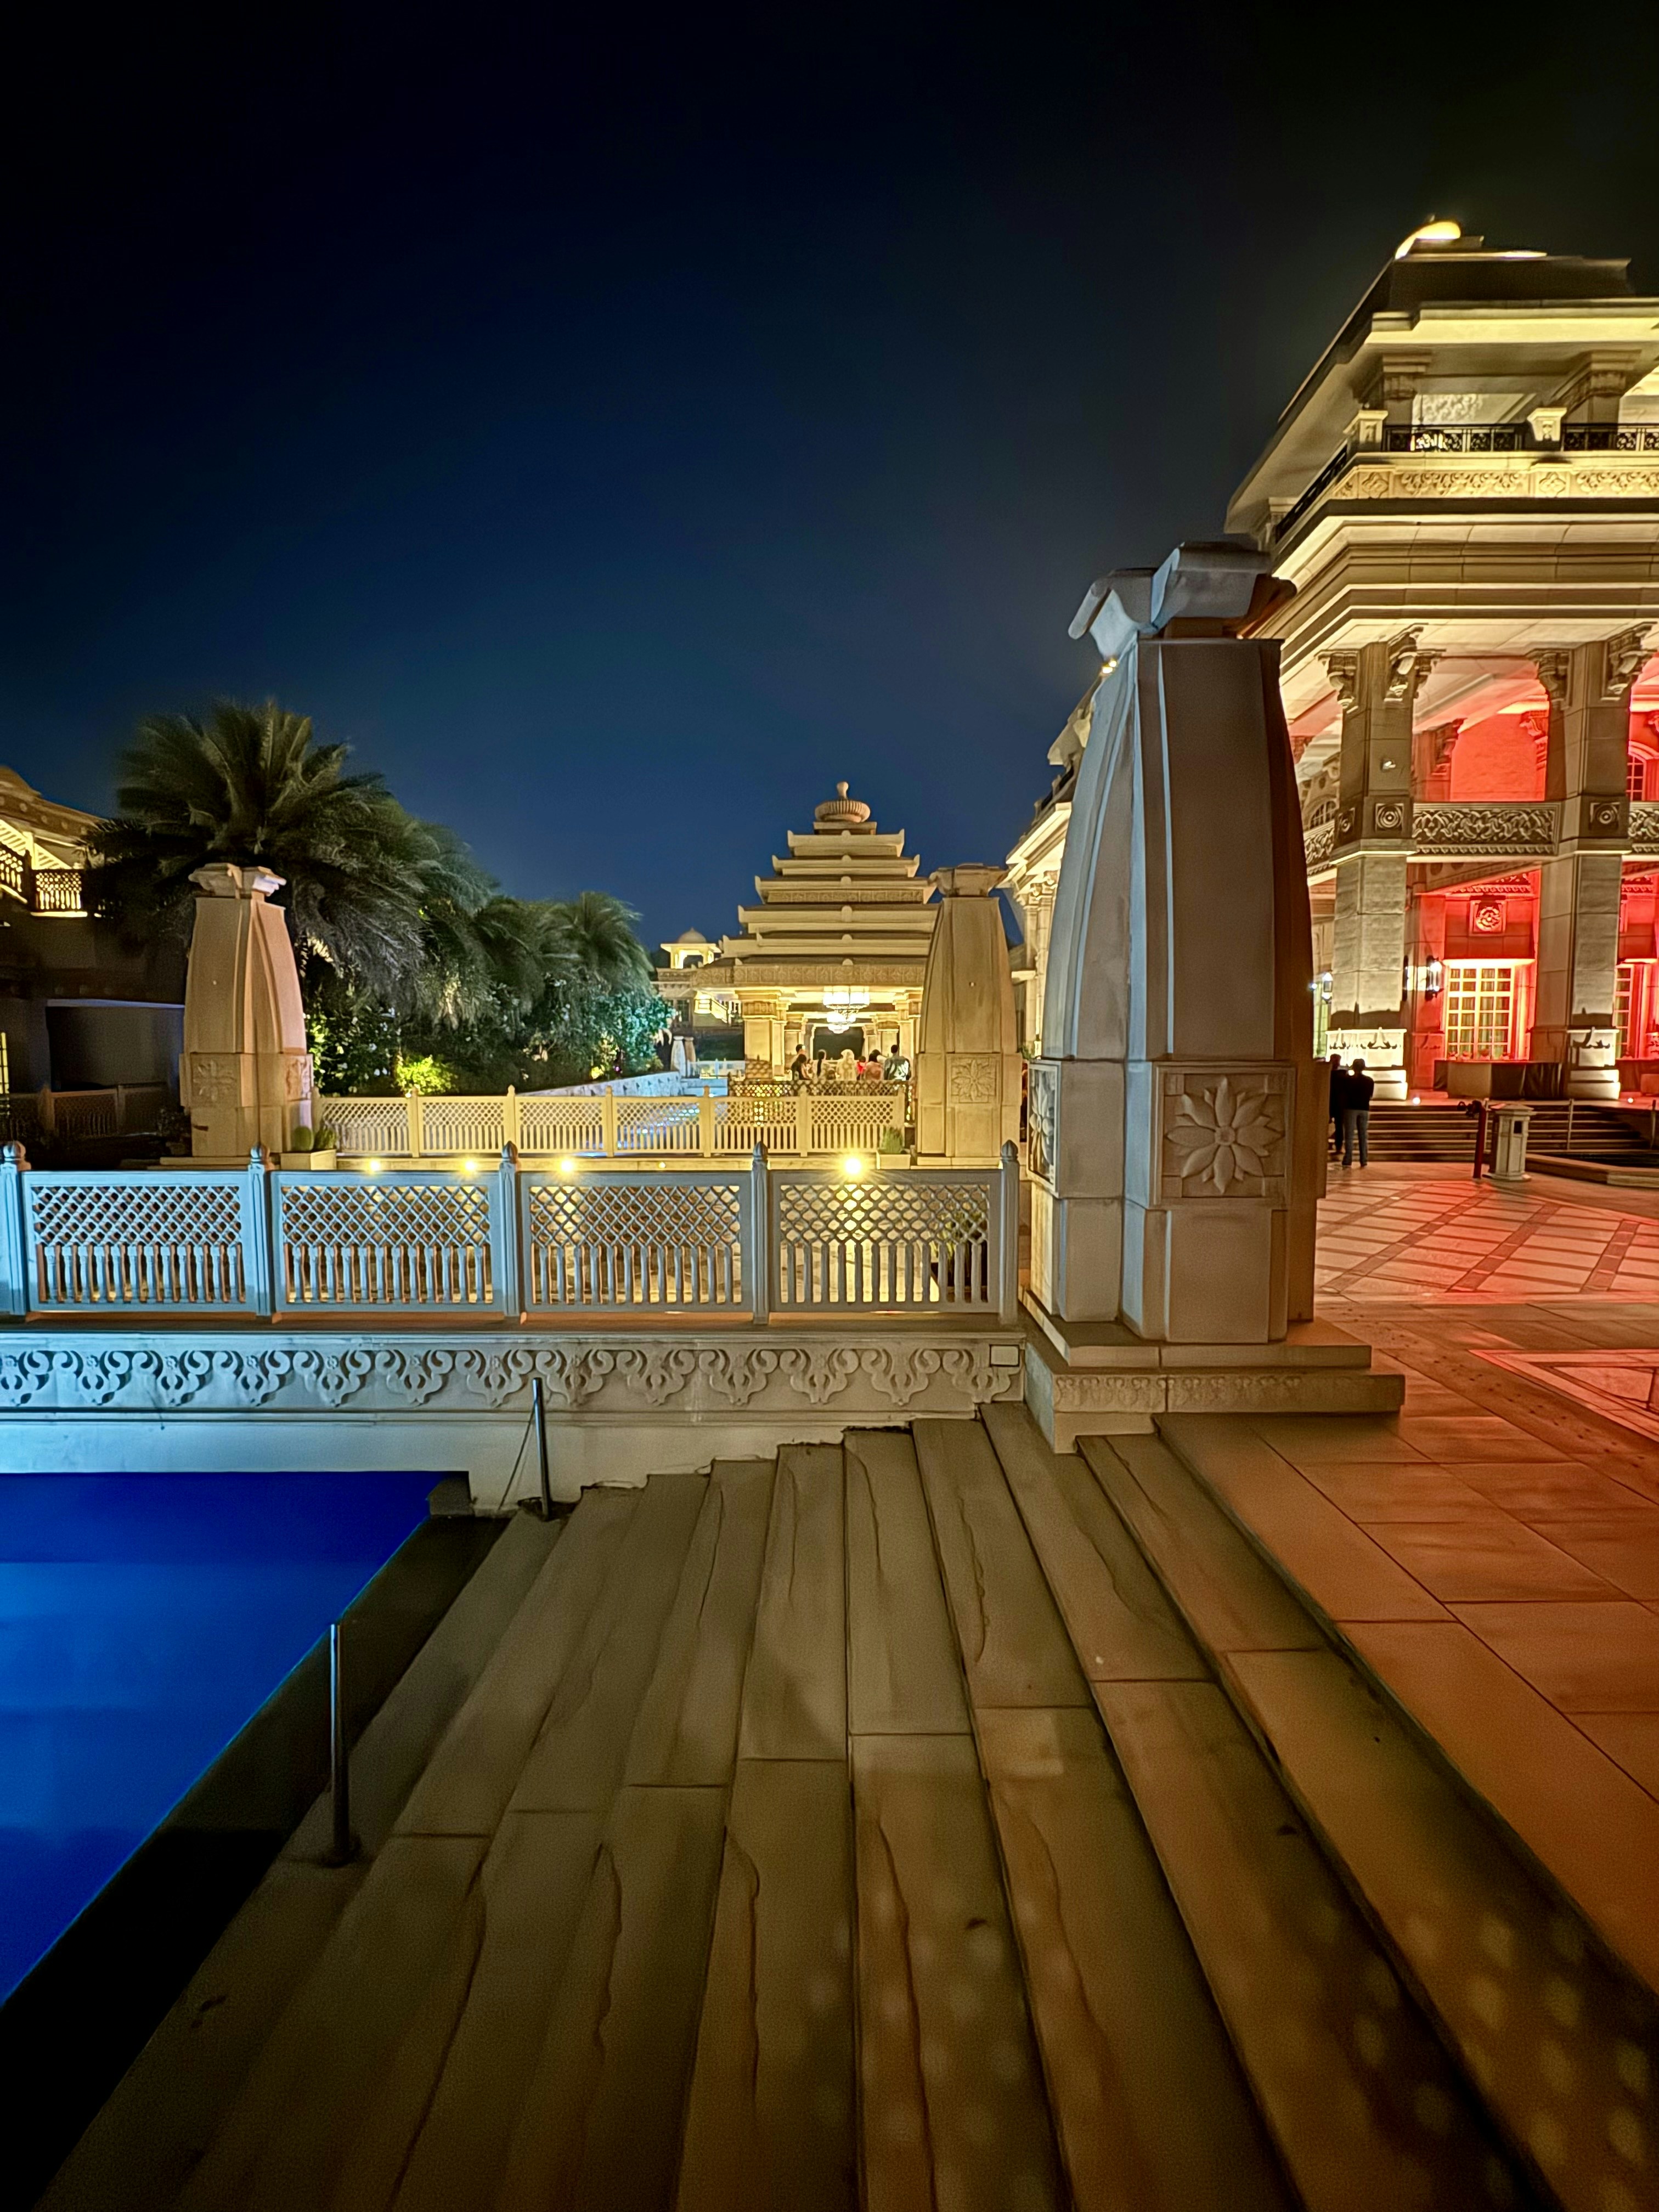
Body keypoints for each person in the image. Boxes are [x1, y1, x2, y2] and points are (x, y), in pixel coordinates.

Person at [1341, 1057, 1374, 1168]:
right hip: (1364, 1108)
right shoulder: (1369, 1081)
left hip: (1350, 1108)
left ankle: (1348, 1158)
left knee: (1349, 1136)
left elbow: (1344, 1094)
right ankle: (1364, 1159)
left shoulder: (1347, 1080)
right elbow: (1370, 1095)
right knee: (1363, 1135)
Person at [1327, 1051, 1347, 1154]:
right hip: (1338, 1104)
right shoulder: (1343, 1075)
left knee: (1338, 1127)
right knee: (1339, 1126)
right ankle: (1338, 1146)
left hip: (1332, 1103)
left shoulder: (1327, 1075)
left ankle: (1337, 1145)